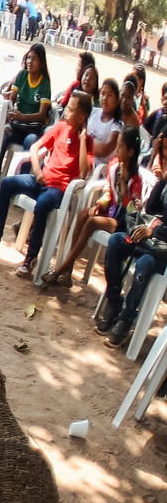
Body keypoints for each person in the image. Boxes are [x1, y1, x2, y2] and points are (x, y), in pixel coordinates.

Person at [0, 88, 93, 278]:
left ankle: (31, 258)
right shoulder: (61, 127)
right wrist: (37, 170)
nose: (66, 112)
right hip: (39, 179)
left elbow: (85, 171)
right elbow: (36, 147)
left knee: (43, 205)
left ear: (81, 118)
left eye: (70, 109)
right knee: (6, 184)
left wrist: (83, 140)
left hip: (58, 189)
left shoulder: (88, 142)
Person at [44, 126, 143, 290]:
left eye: (120, 146)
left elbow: (133, 210)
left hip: (124, 223)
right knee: (84, 214)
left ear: (131, 152)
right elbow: (108, 192)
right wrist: (100, 204)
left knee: (91, 222)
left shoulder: (135, 180)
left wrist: (125, 189)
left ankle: (60, 269)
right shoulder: (114, 167)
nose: (117, 150)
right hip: (112, 212)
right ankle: (68, 272)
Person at [96, 137, 167, 347]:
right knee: (117, 240)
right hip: (149, 238)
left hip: (161, 249)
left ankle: (126, 319)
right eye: (164, 150)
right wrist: (162, 180)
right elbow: (153, 208)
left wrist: (152, 228)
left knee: (144, 265)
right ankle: (114, 301)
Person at [0, 42, 55, 168]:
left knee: (31, 142)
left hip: (33, 127)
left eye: (34, 59)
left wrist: (22, 116)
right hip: (17, 124)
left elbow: (41, 115)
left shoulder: (44, 83)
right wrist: (13, 112)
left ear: (41, 63)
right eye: (28, 58)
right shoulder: (22, 75)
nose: (30, 62)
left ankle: (20, 182)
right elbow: (11, 99)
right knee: (3, 136)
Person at [87, 78, 127, 160]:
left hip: (98, 167)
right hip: (83, 157)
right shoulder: (93, 111)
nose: (105, 98)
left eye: (110, 95)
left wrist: (82, 144)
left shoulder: (117, 125)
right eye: (103, 93)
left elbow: (105, 150)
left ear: (117, 100)